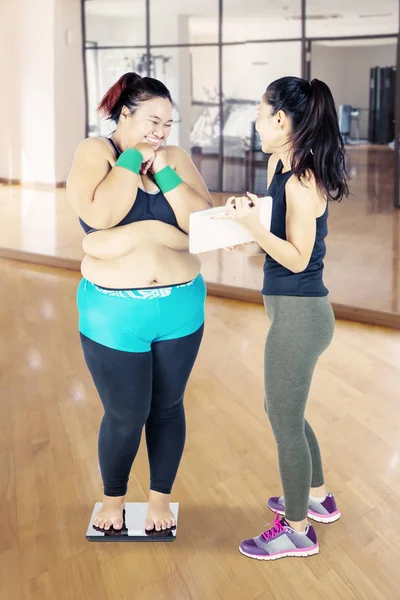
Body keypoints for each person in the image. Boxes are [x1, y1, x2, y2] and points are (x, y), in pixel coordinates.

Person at [67, 72, 212, 533]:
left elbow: (202, 225)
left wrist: (164, 172)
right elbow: (100, 215)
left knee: (168, 407)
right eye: (153, 120)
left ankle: (159, 501)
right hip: (114, 314)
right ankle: (113, 500)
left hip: (180, 309)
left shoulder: (174, 157)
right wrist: (132, 160)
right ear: (124, 114)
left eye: (169, 124)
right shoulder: (96, 153)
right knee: (126, 413)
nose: (162, 132)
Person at [219, 76, 348, 560]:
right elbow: (273, 247)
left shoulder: (303, 180)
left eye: (258, 114)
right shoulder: (280, 164)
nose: (255, 124)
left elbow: (297, 259)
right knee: (284, 411)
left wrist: (253, 226)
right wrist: (246, 240)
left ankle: (297, 530)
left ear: (279, 119)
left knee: (284, 422)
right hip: (289, 309)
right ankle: (317, 498)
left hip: (302, 315)